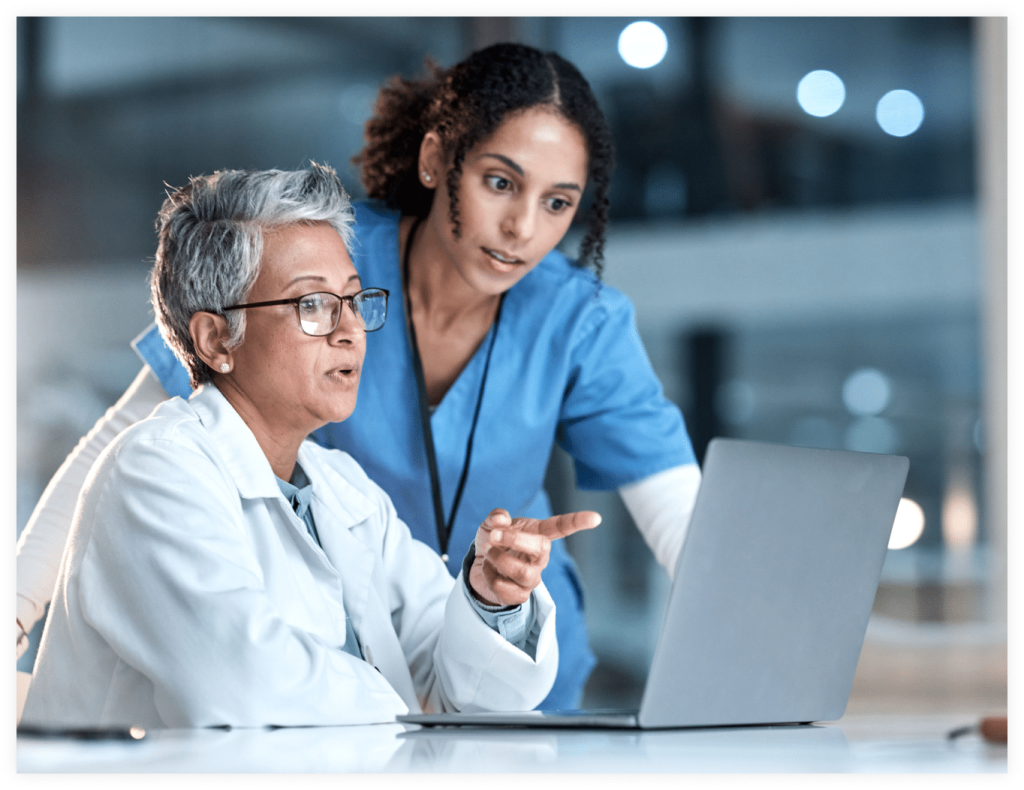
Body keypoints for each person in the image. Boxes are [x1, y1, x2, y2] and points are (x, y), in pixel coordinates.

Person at [15, 43, 701, 710]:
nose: (523, 227)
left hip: (464, 660)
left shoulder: (574, 320)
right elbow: (125, 444)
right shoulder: (319, 253)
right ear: (435, 160)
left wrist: (492, 601)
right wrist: (17, 607)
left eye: (558, 203)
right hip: (335, 690)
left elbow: (686, 525)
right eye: (500, 183)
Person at [20, 165, 599, 729]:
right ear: (217, 340)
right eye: (313, 305)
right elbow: (248, 687)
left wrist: (491, 603)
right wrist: (409, 703)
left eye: (353, 300)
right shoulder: (155, 472)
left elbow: (464, 688)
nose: (350, 330)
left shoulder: (342, 487)